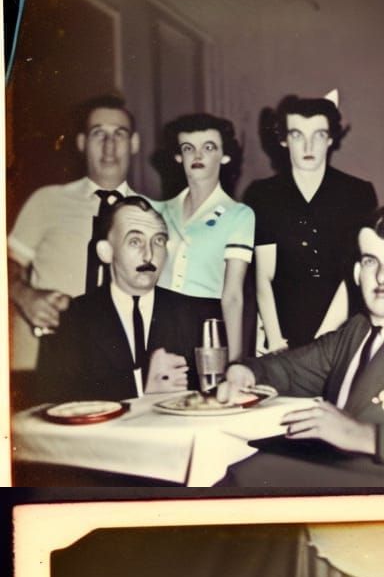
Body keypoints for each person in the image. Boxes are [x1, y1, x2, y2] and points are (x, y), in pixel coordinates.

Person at [214, 205, 384, 489]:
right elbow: (289, 369)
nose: (382, 277)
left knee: (244, 476)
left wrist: (362, 435)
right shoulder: (355, 331)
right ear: (358, 273)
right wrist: (244, 371)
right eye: (371, 262)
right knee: (233, 463)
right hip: (336, 475)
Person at [8, 93, 141, 387]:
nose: (109, 146)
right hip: (47, 360)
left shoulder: (152, 215)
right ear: (81, 143)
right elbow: (8, 263)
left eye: (119, 134)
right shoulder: (46, 202)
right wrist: (25, 294)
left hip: (120, 363)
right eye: (98, 134)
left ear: (134, 144)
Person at [36, 196, 204, 404]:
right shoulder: (73, 317)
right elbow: (52, 398)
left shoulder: (193, 313)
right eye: (135, 241)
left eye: (158, 241)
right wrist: (139, 384)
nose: (149, 255)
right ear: (106, 252)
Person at [244, 92, 378, 351]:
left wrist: (323, 341)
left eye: (317, 135)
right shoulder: (263, 195)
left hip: (341, 329)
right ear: (283, 140)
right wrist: (275, 340)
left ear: (330, 139)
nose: (308, 147)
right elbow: (264, 276)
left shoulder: (358, 193)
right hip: (280, 333)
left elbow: (353, 272)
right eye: (297, 135)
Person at [156, 113, 255, 359]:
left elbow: (232, 295)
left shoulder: (239, 215)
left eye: (208, 147)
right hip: (159, 323)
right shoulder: (158, 211)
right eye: (188, 148)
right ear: (179, 157)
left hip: (205, 328)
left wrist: (234, 361)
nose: (197, 156)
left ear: (225, 155)